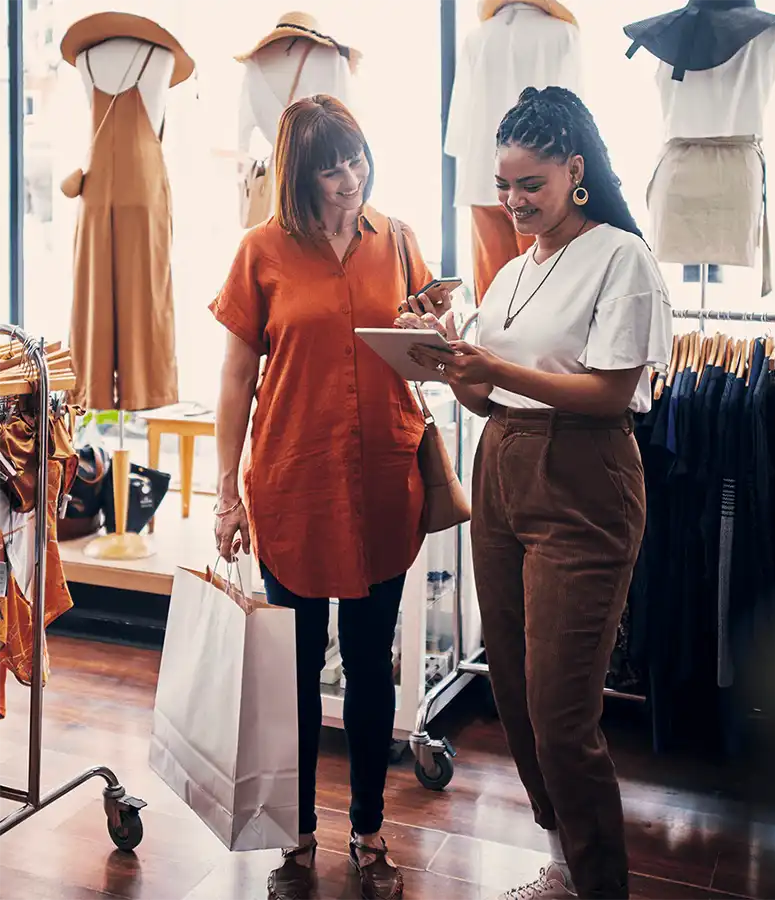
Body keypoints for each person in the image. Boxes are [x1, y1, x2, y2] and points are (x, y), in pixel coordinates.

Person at [404, 86, 672, 900]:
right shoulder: (516, 270)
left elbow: (611, 391)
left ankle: (600, 886)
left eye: (532, 185)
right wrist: (447, 357)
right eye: (506, 187)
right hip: (502, 469)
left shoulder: (620, 256)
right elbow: (487, 397)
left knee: (561, 713)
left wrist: (496, 371)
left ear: (574, 171)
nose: (516, 202)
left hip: (584, 478)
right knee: (514, 693)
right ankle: (563, 861)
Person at [211, 94, 448, 900]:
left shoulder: (402, 240)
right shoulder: (261, 251)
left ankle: (372, 830)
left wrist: (436, 332)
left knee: (374, 665)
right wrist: (225, 497)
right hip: (293, 483)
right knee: (297, 669)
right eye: (328, 168)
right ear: (298, 175)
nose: (348, 180)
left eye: (355, 159)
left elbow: (427, 359)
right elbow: (237, 380)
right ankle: (298, 837)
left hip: (384, 478)